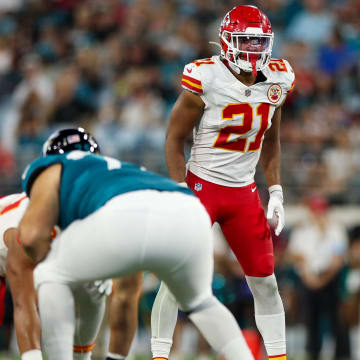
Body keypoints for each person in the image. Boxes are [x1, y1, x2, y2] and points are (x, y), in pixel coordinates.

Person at [18, 127, 254, 360]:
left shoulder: (54, 166)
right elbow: (126, 293)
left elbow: (30, 236)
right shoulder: (116, 170)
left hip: (125, 213)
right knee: (202, 303)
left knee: (49, 274)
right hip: (189, 210)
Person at [151, 5, 295, 360]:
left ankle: (278, 356)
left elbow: (271, 140)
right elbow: (173, 138)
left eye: (259, 42)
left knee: (265, 282)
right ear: (227, 41)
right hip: (202, 187)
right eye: (245, 41)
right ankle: (158, 355)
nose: (253, 49)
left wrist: (275, 189)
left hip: (244, 192)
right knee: (176, 277)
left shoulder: (278, 78)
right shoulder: (207, 76)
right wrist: (179, 188)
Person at [0, 193, 112, 360]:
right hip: (16, 240)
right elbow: (24, 305)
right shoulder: (20, 241)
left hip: (48, 221)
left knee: (95, 290)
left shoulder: (88, 225)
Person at [287, 195, 350, 360]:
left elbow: (338, 258)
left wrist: (323, 280)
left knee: (336, 317)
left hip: (330, 278)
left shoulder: (336, 230)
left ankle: (342, 353)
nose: (318, 214)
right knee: (311, 318)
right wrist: (309, 277)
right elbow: (296, 256)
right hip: (308, 277)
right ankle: (313, 352)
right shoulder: (302, 231)